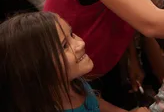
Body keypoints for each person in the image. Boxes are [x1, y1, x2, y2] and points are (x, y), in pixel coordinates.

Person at [0, 11, 148, 112]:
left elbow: (96, 103)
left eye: (72, 34)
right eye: (65, 46)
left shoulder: (76, 83)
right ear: (34, 67)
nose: (80, 43)